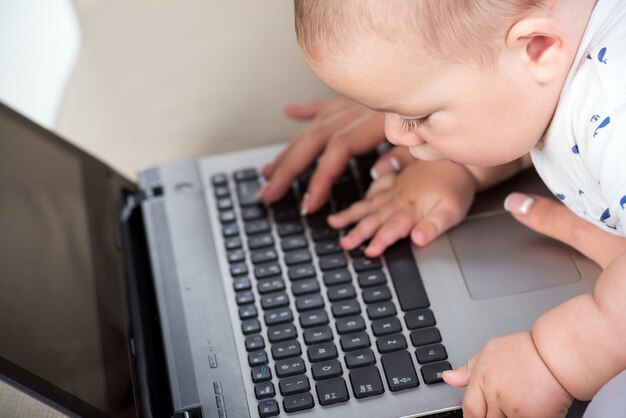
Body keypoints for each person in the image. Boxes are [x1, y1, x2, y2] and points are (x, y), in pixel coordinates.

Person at [260, 0, 626, 416]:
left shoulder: (616, 110)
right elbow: (544, 106)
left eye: (417, 116)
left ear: (537, 47)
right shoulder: (567, 47)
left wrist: (554, 361)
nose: (393, 135)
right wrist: (463, 169)